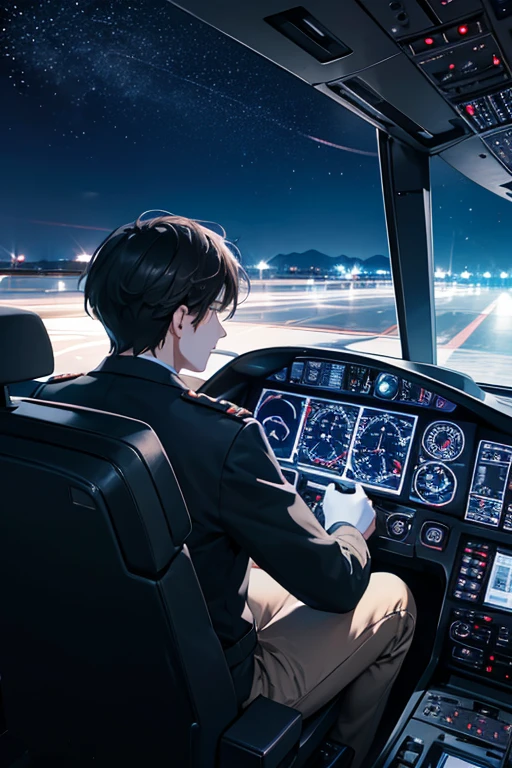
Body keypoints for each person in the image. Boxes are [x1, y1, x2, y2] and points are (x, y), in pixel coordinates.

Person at [39, 214, 416, 767]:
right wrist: (347, 527)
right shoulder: (223, 436)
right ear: (180, 319)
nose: (221, 332)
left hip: (85, 650)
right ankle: (343, 757)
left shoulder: (46, 404)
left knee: (259, 577)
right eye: (215, 313)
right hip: (202, 686)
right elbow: (334, 586)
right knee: (392, 597)